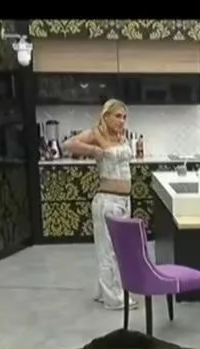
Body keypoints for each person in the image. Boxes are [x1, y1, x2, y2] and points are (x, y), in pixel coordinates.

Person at [64, 99, 136, 311]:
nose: (122, 121)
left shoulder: (121, 137)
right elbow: (68, 145)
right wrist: (94, 150)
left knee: (121, 250)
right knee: (109, 252)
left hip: (124, 200)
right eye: (118, 116)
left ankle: (106, 291)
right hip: (107, 201)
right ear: (106, 116)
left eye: (124, 117)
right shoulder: (96, 134)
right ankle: (113, 299)